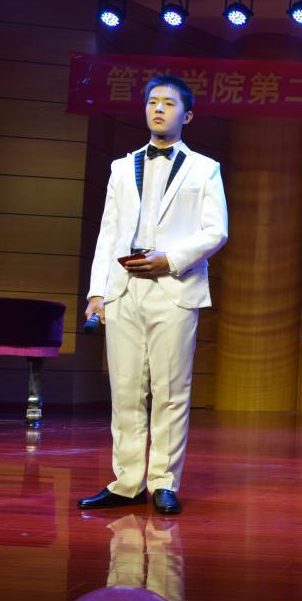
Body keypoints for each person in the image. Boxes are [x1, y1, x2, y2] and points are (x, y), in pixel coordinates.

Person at [77, 75, 228, 516]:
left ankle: (163, 481)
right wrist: (96, 292)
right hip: (124, 288)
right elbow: (108, 233)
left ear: (188, 115)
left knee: (170, 390)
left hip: (174, 288)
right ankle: (126, 482)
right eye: (152, 102)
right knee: (125, 389)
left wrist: (170, 259)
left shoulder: (205, 168)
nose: (158, 109)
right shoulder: (121, 168)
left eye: (169, 103)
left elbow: (216, 231)